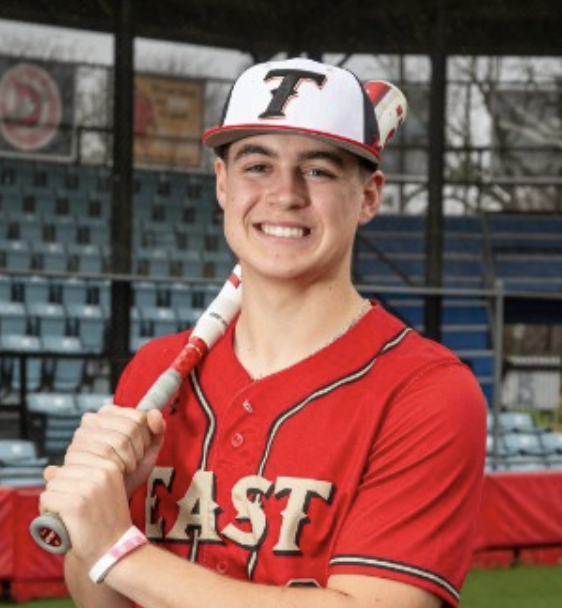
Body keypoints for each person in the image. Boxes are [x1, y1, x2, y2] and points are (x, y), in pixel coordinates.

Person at [40, 57, 486, 608]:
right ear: (222, 183)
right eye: (257, 165)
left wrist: (120, 551)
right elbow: (101, 600)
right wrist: (98, 513)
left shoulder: (427, 392)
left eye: (318, 170)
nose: (284, 194)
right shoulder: (155, 369)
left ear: (369, 196)